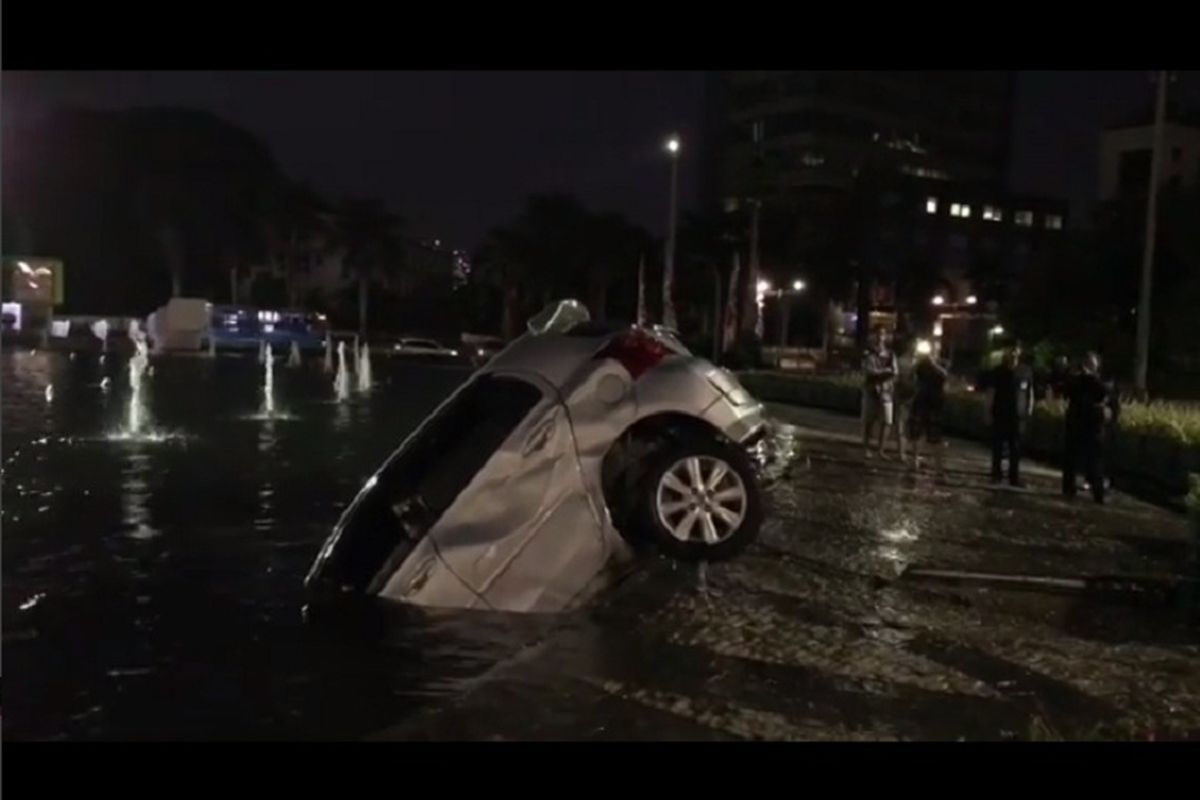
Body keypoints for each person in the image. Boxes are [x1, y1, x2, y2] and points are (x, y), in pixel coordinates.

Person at [1063, 352, 1111, 504]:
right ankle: (1069, 489)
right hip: (1077, 423)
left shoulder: (1099, 382)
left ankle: (1097, 493)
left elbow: (1105, 396)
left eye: (1092, 364)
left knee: (1095, 461)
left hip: (1093, 425)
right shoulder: (1076, 380)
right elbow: (1067, 391)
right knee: (1072, 459)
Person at [986, 343, 1035, 487]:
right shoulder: (998, 371)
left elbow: (1029, 392)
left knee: (1015, 447)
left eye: (1016, 351)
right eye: (1010, 351)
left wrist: (1029, 409)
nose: (1013, 354)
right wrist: (987, 411)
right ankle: (996, 474)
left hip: (1018, 415)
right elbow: (991, 392)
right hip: (1000, 412)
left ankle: (1014, 477)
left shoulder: (1025, 371)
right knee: (998, 446)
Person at [908, 339, 949, 479]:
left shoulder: (939, 365)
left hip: (933, 405)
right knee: (915, 434)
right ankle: (914, 461)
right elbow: (910, 379)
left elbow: (944, 376)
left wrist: (931, 362)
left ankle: (939, 467)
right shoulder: (918, 366)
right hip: (920, 403)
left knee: (935, 438)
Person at [861, 326, 897, 459]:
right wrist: (885, 372)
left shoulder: (890, 354)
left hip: (886, 392)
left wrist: (882, 374)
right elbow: (869, 371)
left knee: (887, 421)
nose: (880, 337)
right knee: (869, 421)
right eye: (877, 334)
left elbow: (894, 372)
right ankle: (866, 448)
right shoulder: (868, 353)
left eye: (882, 334)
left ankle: (881, 449)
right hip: (871, 390)